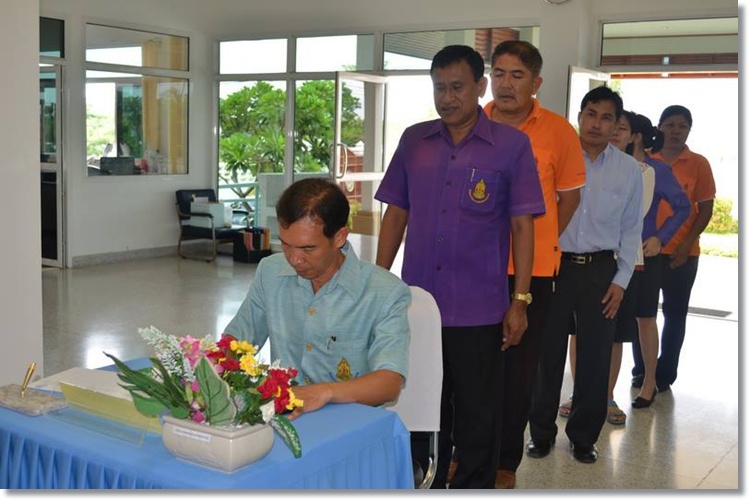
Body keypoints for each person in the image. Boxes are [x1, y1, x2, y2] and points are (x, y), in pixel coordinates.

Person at [375, 44, 545, 489]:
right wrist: (377, 281)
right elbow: (395, 212)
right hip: (418, 306)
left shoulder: (511, 146)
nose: (447, 98)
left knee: (478, 413)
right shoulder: (414, 140)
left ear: (479, 86)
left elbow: (523, 226)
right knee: (422, 407)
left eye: (457, 87)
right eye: (439, 88)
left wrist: (520, 301)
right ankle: (422, 483)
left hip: (480, 309)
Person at [482, 40, 585, 489]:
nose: (506, 83)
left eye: (517, 75)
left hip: (533, 272)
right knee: (470, 365)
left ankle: (505, 460)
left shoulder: (559, 131)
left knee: (519, 371)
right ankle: (466, 452)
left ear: (536, 82)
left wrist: (539, 241)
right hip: (476, 266)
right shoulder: (472, 122)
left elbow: (569, 199)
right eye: (499, 73)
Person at [224, 177, 411, 418]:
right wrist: (213, 371)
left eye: (308, 248)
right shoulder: (270, 272)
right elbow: (237, 340)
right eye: (286, 244)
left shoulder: (385, 292)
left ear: (340, 237)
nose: (294, 259)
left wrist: (325, 392)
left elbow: (389, 383)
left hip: (349, 420)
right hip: (286, 418)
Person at [527, 85, 642, 465]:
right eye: (590, 114)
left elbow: (631, 231)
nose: (596, 123)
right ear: (579, 117)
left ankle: (583, 437)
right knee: (546, 353)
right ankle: (540, 433)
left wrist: (621, 282)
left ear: (617, 125)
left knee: (595, 356)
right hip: (554, 266)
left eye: (606, 117)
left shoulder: (628, 170)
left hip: (600, 270)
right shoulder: (556, 158)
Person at [631, 105, 715, 394]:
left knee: (674, 314)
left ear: (689, 130)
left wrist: (686, 244)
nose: (676, 131)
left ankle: (665, 374)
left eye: (682, 126)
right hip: (645, 251)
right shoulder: (644, 160)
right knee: (643, 313)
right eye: (670, 125)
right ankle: (642, 371)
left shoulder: (699, 163)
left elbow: (704, 208)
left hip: (683, 253)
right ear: (660, 128)